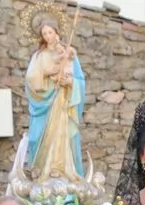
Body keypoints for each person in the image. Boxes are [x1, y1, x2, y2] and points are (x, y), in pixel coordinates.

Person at [24, 7, 85, 180]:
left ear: (57, 32)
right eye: (44, 33)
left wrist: (70, 82)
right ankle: (40, 173)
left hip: (62, 102)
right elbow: (30, 79)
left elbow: (80, 80)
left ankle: (61, 172)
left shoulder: (68, 52)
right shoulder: (38, 56)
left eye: (50, 32)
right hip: (44, 105)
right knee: (36, 138)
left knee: (61, 137)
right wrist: (45, 73)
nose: (48, 36)